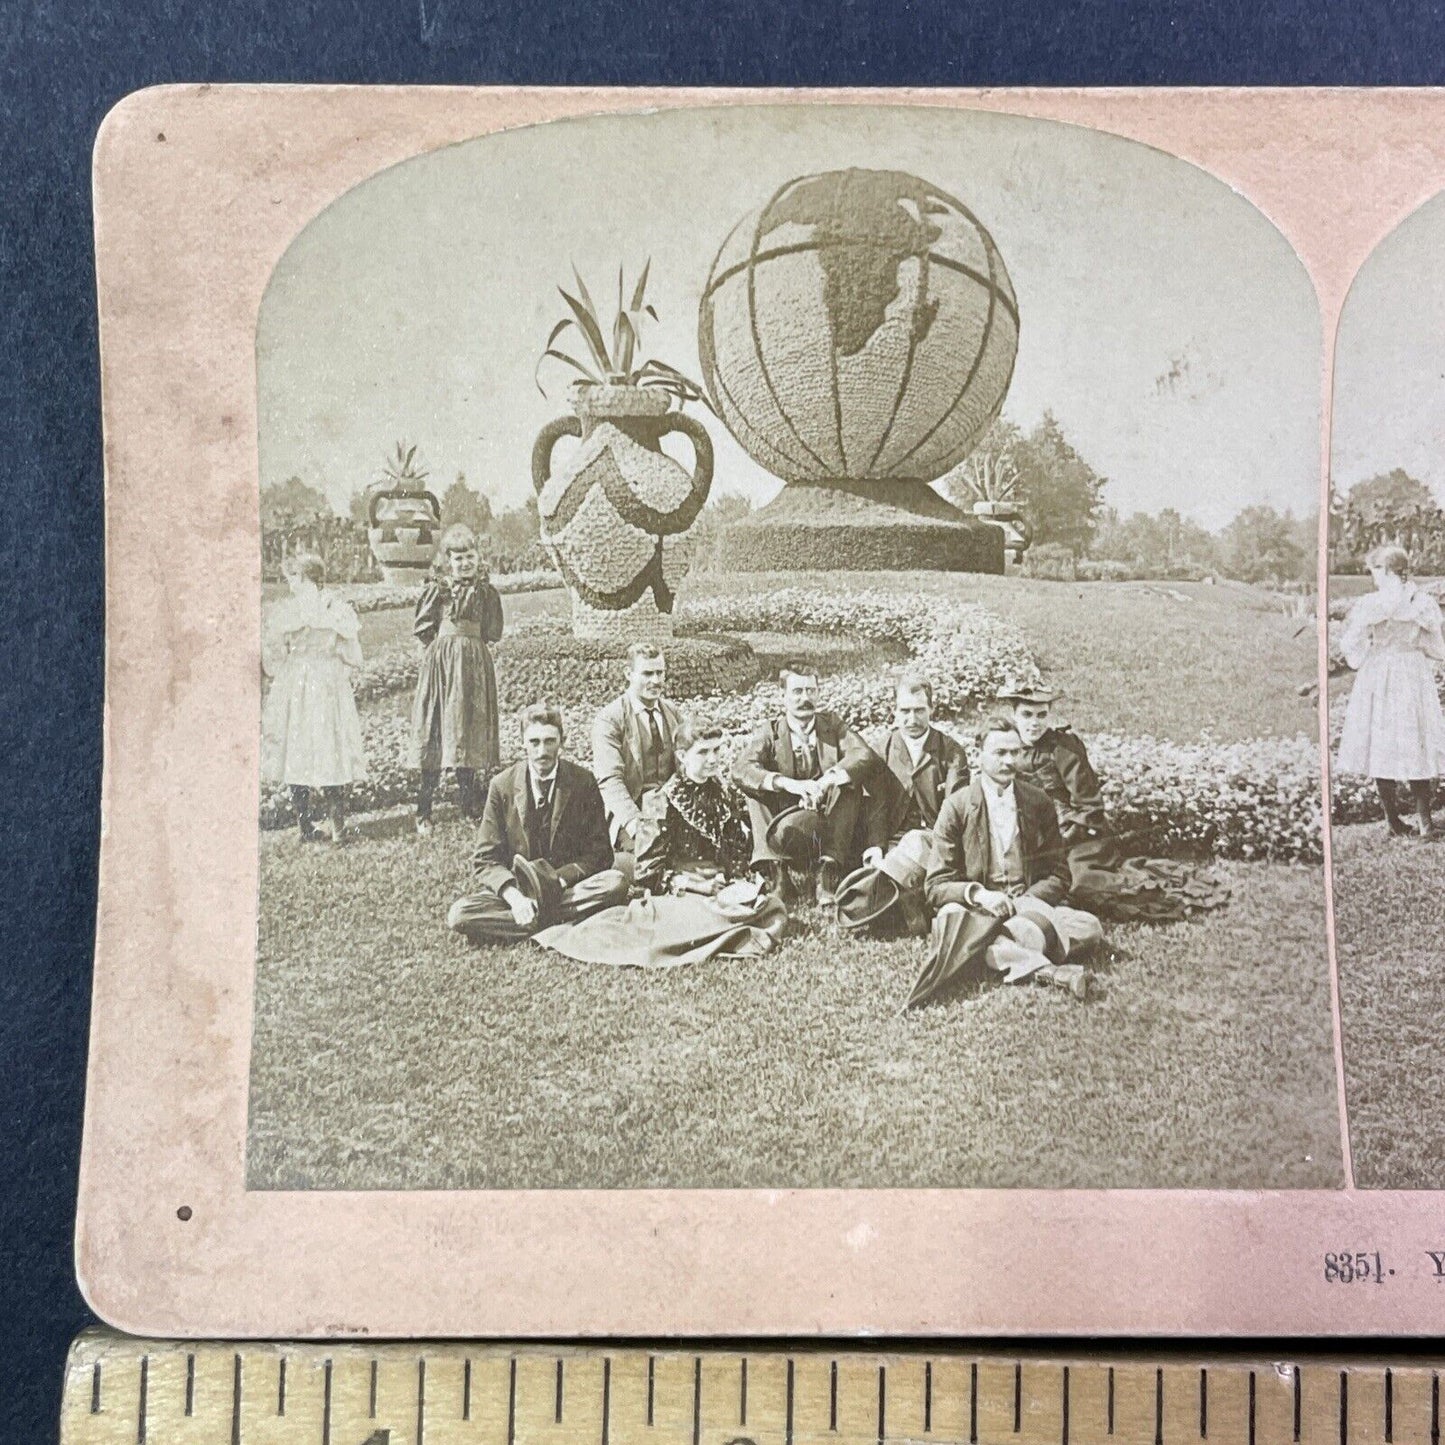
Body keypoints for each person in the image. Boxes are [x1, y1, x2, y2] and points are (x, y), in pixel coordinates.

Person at [531, 717, 787, 968]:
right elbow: (647, 873)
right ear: (683, 756)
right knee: (702, 915)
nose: (712, 759)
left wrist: (739, 882)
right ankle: (714, 929)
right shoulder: (660, 801)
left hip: (718, 885)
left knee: (770, 905)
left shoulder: (722, 793)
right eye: (703, 752)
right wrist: (694, 884)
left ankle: (723, 923)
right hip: (681, 891)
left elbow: (735, 850)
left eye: (716, 750)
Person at [905, 717, 1102, 1007]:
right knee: (951, 918)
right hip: (978, 910)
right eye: (1000, 753)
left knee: (1089, 926)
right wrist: (979, 894)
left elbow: (1060, 873)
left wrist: (1026, 901)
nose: (1009, 761)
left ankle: (992, 950)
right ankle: (1051, 972)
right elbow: (936, 885)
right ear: (979, 754)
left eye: (1015, 752)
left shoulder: (1038, 801)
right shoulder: (957, 806)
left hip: (1025, 907)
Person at [999, 681, 1229, 921]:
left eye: (1041, 715)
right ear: (1013, 714)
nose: (1034, 723)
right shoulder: (1007, 747)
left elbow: (1089, 805)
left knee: (1078, 883)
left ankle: (1148, 889)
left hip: (1075, 837)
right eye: (1026, 715)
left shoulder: (1063, 747)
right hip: (1031, 835)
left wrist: (1059, 839)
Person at [446, 704, 628, 943]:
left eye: (550, 741)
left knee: (615, 883)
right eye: (534, 742)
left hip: (567, 890)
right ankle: (552, 920)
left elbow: (600, 853)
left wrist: (559, 881)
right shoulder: (502, 786)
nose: (542, 751)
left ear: (562, 741)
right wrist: (515, 898)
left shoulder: (583, 782)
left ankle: (526, 924)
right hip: (520, 890)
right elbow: (485, 859)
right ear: (523, 742)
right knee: (460, 914)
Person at [836, 673, 969, 936]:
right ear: (894, 712)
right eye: (904, 711)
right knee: (893, 859)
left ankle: (884, 904)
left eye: (919, 710)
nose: (912, 719)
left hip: (935, 839)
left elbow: (956, 808)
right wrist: (875, 845)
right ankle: (901, 901)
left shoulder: (951, 751)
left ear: (932, 709)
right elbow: (875, 805)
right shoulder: (882, 749)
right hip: (893, 840)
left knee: (916, 846)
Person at [733, 669, 880, 905]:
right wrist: (787, 784)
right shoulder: (770, 731)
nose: (805, 698)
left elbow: (863, 754)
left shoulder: (832, 725)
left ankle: (828, 873)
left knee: (848, 782)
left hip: (829, 822)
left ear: (819, 692)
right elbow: (741, 768)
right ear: (783, 695)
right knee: (755, 789)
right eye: (797, 691)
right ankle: (777, 873)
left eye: (811, 690)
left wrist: (826, 781)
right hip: (785, 823)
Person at [1337, 544, 1445, 839]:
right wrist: (1411, 647)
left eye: (1374, 570)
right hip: (1411, 674)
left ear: (1386, 570)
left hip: (1380, 674)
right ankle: (1425, 822)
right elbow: (1436, 646)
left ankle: (1394, 821)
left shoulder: (1371, 604)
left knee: (1381, 741)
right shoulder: (1420, 602)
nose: (1372, 576)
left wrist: (1366, 653)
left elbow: (1353, 644)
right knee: (1417, 740)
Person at [260, 551, 368, 843]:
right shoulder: (335, 609)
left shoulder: (291, 611)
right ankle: (336, 827)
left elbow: (274, 657)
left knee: (299, 749)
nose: (290, 584)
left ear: (304, 577)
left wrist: (289, 662)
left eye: (293, 578)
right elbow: (353, 655)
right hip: (327, 684)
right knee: (328, 746)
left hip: (298, 683)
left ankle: (306, 826)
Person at [410, 523, 505, 834]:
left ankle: (468, 804)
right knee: (436, 728)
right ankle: (423, 809)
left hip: (475, 664)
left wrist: (469, 647)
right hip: (443, 667)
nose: (465, 563)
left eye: (470, 556)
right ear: (447, 561)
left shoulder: (486, 592)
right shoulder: (439, 590)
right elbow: (424, 629)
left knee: (467, 729)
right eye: (458, 557)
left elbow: (492, 631)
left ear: (478, 557)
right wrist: (446, 650)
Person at [591, 643, 681, 864]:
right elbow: (610, 780)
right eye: (647, 673)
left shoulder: (673, 714)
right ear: (628, 673)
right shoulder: (610, 719)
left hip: (673, 807)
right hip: (633, 809)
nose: (656, 681)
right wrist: (634, 824)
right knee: (644, 864)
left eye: (660, 673)